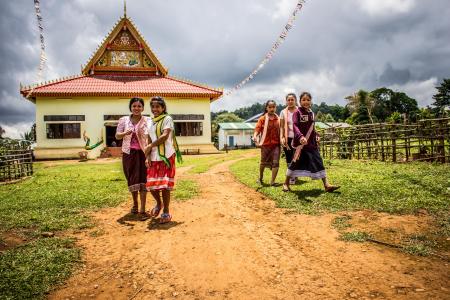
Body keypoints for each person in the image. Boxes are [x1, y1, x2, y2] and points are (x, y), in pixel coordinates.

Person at [283, 92, 340, 193]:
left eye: (308, 100)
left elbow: (312, 128)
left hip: (311, 144)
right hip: (300, 144)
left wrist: (317, 135)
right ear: (300, 101)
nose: (306, 102)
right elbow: (295, 126)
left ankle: (326, 185)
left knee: (319, 161)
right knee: (294, 163)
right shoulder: (297, 113)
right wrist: (300, 137)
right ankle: (286, 183)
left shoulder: (311, 113)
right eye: (303, 100)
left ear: (311, 101)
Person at [144, 96, 182, 224]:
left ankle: (166, 211)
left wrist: (150, 146)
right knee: (152, 185)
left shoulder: (167, 119)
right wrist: (148, 156)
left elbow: (165, 136)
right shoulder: (150, 121)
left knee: (165, 186)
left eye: (157, 107)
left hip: (166, 156)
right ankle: (158, 204)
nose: (155, 109)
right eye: (153, 107)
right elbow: (148, 139)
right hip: (153, 157)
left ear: (163, 107)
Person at [115, 97, 149, 216]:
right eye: (134, 106)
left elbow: (152, 136)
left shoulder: (147, 120)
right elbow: (117, 136)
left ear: (143, 108)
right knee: (132, 179)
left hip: (143, 153)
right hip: (129, 154)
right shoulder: (123, 120)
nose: (136, 108)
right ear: (130, 107)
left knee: (144, 179)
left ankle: (143, 208)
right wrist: (125, 133)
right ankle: (135, 204)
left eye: (139, 106)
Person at [252, 100, 281, 186]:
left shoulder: (279, 119)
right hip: (265, 145)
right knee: (263, 163)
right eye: (270, 107)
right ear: (266, 108)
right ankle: (260, 178)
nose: (272, 109)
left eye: (273, 107)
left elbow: (283, 130)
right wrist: (255, 136)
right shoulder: (262, 119)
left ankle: (272, 182)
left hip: (276, 145)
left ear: (276, 107)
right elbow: (257, 129)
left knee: (276, 162)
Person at [280, 93, 299, 185]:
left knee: (295, 157)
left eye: (292, 100)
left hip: (298, 138)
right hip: (288, 138)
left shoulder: (300, 110)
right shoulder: (283, 112)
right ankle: (292, 176)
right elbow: (281, 127)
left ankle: (294, 175)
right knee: (288, 157)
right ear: (286, 101)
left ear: (295, 100)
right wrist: (282, 137)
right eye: (289, 100)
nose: (290, 101)